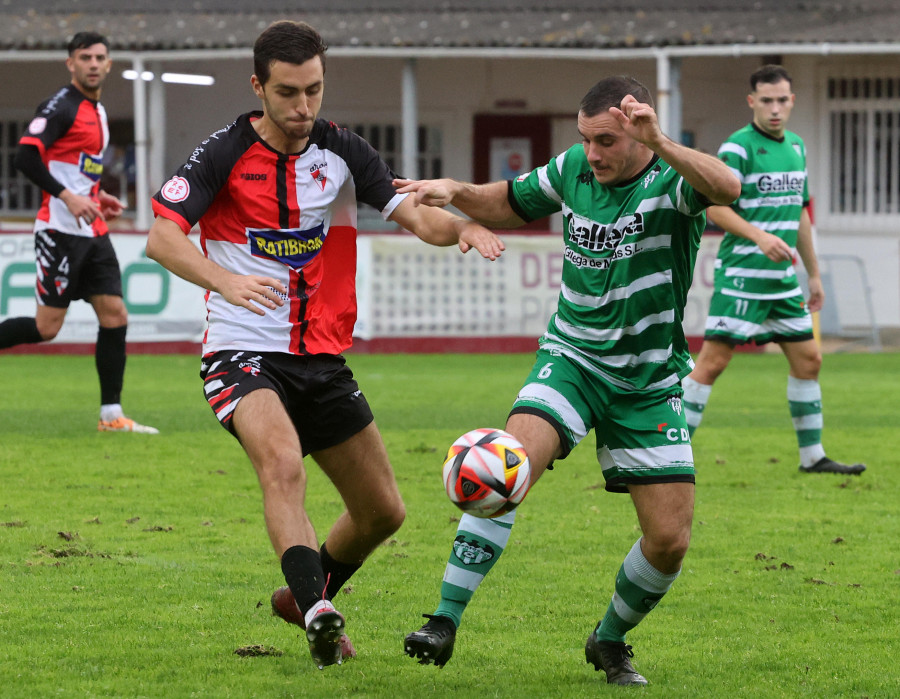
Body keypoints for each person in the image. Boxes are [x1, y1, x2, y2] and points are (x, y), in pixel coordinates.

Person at [145, 20, 504, 670]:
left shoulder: (342, 151)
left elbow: (415, 212)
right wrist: (225, 280)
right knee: (283, 465)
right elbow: (161, 236)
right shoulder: (222, 152)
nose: (303, 107)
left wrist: (462, 229)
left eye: (313, 89)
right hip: (240, 352)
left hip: (320, 356)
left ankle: (301, 596)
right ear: (258, 86)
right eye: (287, 92)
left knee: (382, 511)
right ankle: (318, 611)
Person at [394, 76, 741, 686]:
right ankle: (444, 619)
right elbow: (507, 200)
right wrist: (456, 191)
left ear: (638, 133)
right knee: (507, 463)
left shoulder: (671, 181)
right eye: (586, 139)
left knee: (669, 541)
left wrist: (661, 140)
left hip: (648, 378)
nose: (594, 154)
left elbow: (728, 187)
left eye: (605, 140)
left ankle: (609, 641)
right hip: (573, 358)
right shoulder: (574, 170)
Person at [681, 65, 865, 476]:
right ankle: (667, 454)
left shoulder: (797, 147)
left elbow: (800, 212)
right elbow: (713, 206)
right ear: (752, 102)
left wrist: (812, 273)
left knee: (809, 360)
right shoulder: (738, 148)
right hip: (743, 274)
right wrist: (759, 237)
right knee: (711, 364)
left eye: (782, 100)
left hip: (781, 281)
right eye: (766, 100)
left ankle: (812, 457)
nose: (775, 108)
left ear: (792, 100)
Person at [0, 31, 157, 434]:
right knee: (47, 328)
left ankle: (111, 416)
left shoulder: (97, 109)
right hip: (60, 230)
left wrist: (96, 194)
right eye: (84, 56)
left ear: (108, 64)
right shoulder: (61, 106)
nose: (92, 63)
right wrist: (70, 198)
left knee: (115, 315)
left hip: (93, 229)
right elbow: (25, 157)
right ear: (71, 63)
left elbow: (73, 164)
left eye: (99, 57)